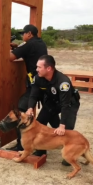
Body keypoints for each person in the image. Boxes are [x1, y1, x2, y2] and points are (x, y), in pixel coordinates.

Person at [6, 24, 56, 152]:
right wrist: (17, 47)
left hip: (36, 85)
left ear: (29, 34)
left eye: (23, 33)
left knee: (21, 113)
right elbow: (30, 52)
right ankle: (65, 138)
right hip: (45, 84)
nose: (22, 36)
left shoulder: (28, 45)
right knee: (49, 116)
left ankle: (21, 145)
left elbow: (10, 58)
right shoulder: (40, 43)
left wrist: (7, 48)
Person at [26, 54, 81, 165]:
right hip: (52, 102)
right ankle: (41, 150)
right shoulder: (38, 78)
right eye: (37, 67)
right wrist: (30, 108)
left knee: (67, 130)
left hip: (69, 104)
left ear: (49, 68)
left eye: (39, 67)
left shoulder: (63, 82)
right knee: (39, 123)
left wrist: (62, 125)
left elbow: (65, 105)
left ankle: (70, 154)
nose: (36, 69)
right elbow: (33, 95)